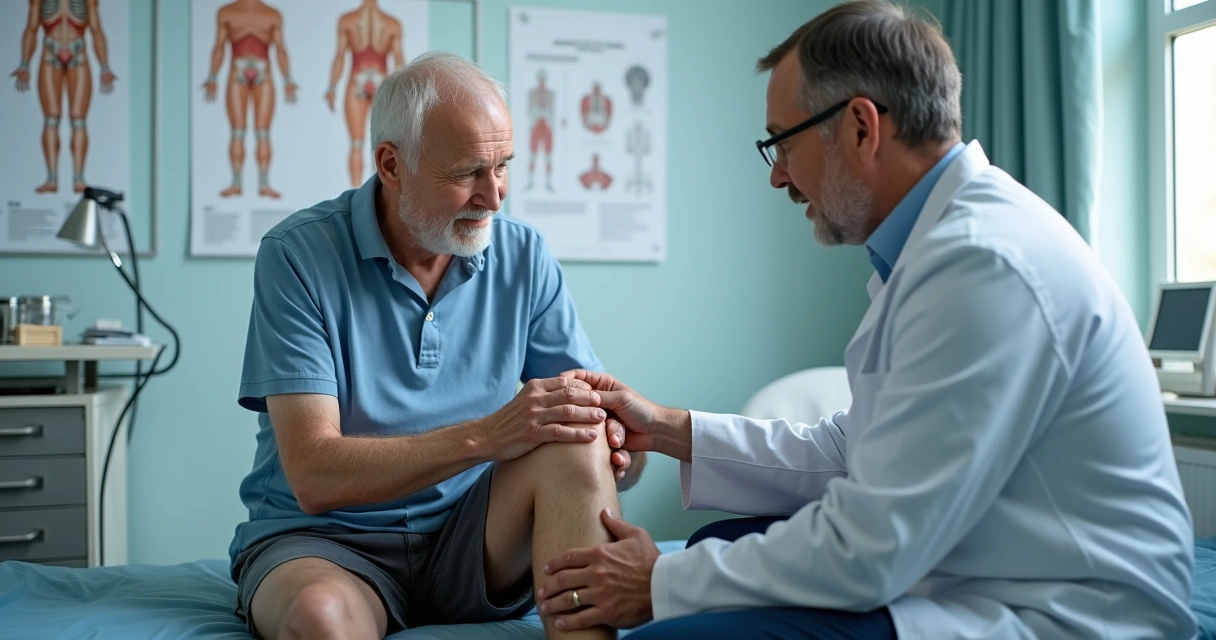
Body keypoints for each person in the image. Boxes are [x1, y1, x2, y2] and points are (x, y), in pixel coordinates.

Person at [533, 2, 1197, 639]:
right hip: (978, 563)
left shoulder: (985, 265)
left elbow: (873, 546)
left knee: (675, 627)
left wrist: (659, 580)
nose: (778, 176)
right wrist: (669, 429)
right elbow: (851, 455)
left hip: (1067, 612)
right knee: (718, 545)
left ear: (859, 127)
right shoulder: (931, 248)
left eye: (781, 144)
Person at [230, 51, 642, 640]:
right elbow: (314, 476)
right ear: (391, 164)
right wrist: (490, 435)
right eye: (467, 172)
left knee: (575, 436)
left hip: (475, 540)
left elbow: (605, 441)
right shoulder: (297, 256)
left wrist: (616, 441)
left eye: (503, 167)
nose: (494, 197)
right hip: (329, 544)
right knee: (320, 620)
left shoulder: (524, 256)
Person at [12, 0, 117, 194]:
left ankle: (79, 179)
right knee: (51, 118)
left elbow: (96, 30)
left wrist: (105, 67)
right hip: (50, 52)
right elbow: (31, 29)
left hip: (79, 53)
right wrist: (25, 63)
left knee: (78, 119)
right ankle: (52, 178)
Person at [202, 0, 298, 199]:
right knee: (238, 131)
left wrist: (288, 79)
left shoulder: (272, 14)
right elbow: (218, 46)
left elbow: (281, 49)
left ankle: (263, 183)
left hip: (263, 71)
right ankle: (237, 182)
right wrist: (212, 76)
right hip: (238, 70)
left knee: (263, 132)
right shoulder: (226, 12)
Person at [325, 0, 405, 188]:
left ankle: (360, 193)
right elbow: (400, 61)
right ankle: (362, 192)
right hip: (380, 82)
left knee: (359, 144)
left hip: (357, 81)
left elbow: (340, 56)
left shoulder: (348, 20)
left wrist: (332, 88)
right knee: (374, 145)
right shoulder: (391, 23)